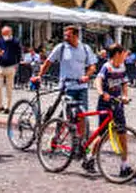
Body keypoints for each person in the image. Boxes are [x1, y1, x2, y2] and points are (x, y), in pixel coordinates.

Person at [32, 25, 98, 171]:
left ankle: (80, 144)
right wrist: (39, 75)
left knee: (82, 117)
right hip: (67, 87)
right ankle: (61, 137)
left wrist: (87, 76)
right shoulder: (61, 48)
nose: (65, 38)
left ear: (76, 36)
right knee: (69, 117)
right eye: (65, 35)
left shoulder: (85, 49)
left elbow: (93, 65)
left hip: (81, 88)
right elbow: (48, 62)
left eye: (68, 35)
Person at [94, 44, 132, 179]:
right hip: (105, 104)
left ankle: (124, 165)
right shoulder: (107, 67)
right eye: (123, 53)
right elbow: (98, 80)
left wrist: (125, 96)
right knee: (104, 135)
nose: (125, 56)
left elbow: (124, 83)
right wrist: (101, 92)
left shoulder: (122, 66)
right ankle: (91, 158)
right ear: (117, 54)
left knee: (122, 133)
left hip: (117, 104)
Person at [0, 25, 22, 114]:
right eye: (3, 34)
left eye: (5, 33)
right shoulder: (0, 41)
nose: (4, 35)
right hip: (1, 66)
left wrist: (17, 64)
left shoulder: (15, 42)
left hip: (11, 66)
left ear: (10, 33)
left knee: (9, 88)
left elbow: (19, 53)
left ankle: (8, 107)